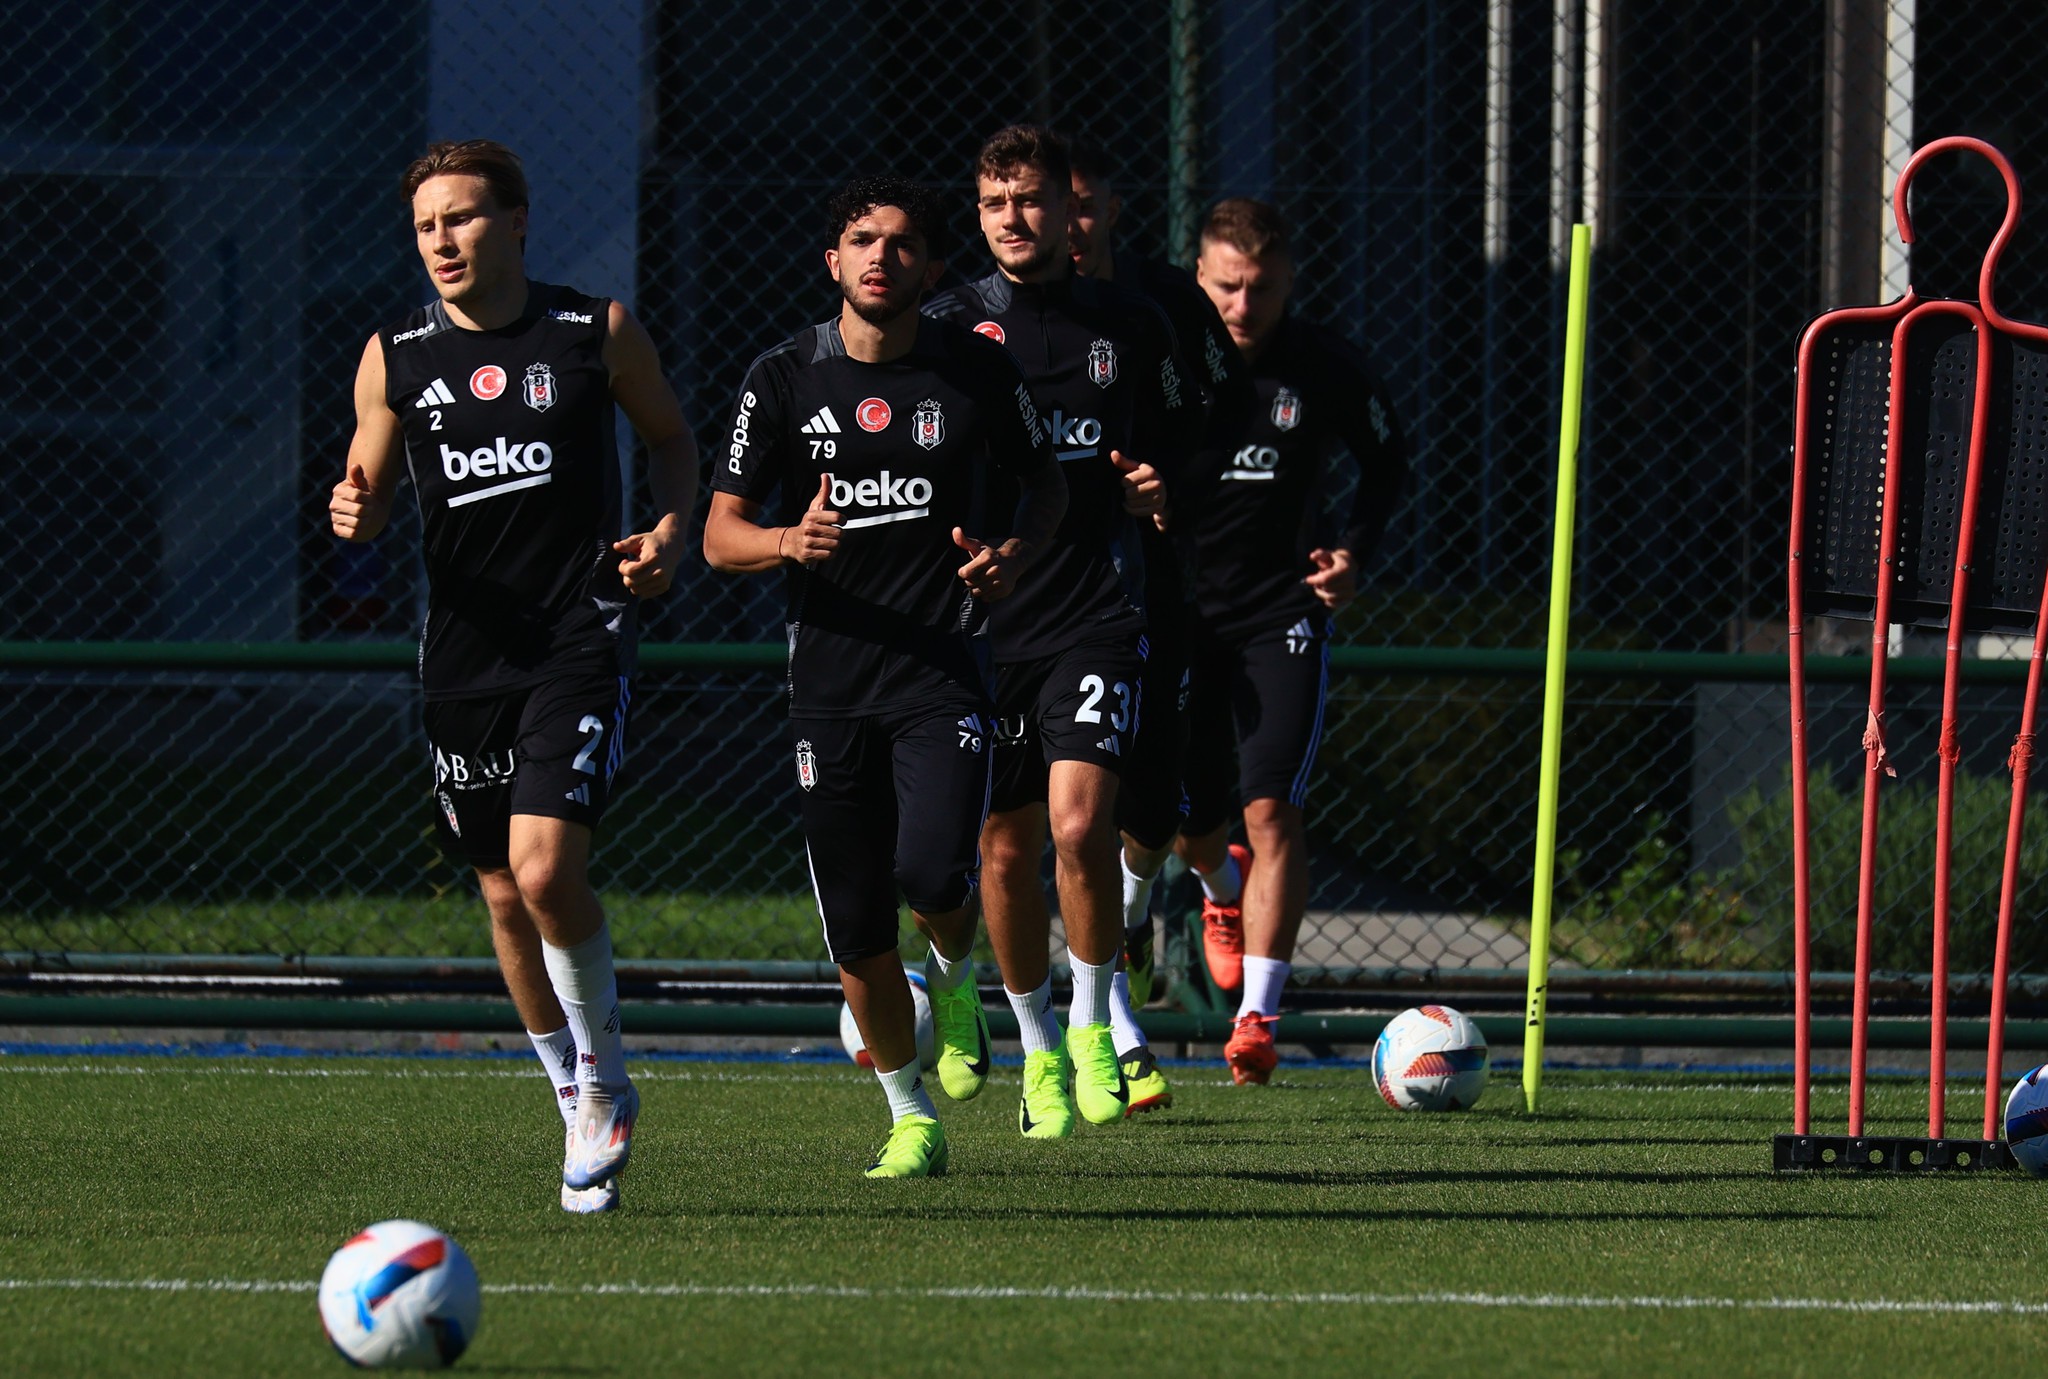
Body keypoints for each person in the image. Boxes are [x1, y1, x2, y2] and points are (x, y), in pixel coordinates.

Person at [329, 139, 697, 1209]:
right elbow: (370, 480)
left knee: (544, 871)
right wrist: (355, 504)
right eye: (426, 226)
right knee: (498, 891)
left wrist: (669, 533)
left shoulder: (594, 332)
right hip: (462, 655)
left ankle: (609, 1084)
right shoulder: (393, 355)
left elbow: (673, 441)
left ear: (520, 221)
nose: (443, 241)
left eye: (464, 218)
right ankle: (568, 1095)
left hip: (577, 634)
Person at [703, 175, 1066, 1178]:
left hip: (941, 668)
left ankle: (952, 980)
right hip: (826, 687)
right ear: (831, 260)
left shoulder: (972, 373)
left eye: (903, 244)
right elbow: (715, 531)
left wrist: (1012, 554)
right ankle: (909, 1114)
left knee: (930, 872)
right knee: (857, 930)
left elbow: (1044, 483)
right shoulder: (781, 377)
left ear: (932, 268)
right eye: (861, 239)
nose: (880, 257)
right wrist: (785, 539)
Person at [925, 125, 1198, 1136]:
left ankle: (1092, 1024)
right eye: (996, 202)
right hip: (987, 618)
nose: (1014, 218)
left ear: (1067, 208)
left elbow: (1183, 438)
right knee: (998, 851)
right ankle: (1035, 1042)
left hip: (1095, 605)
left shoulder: (1126, 322)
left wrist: (1162, 482)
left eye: (1033, 199)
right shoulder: (949, 323)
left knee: (1080, 825)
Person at [1178, 196, 1409, 1084]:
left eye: (1262, 289)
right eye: (1228, 287)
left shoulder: (1325, 368)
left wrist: (1353, 551)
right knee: (1188, 825)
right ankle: (1219, 890)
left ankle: (1257, 1020)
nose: (1243, 306)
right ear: (1201, 277)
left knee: (1272, 809)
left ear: (1288, 284)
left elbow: (1389, 460)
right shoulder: (1165, 362)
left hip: (1281, 613)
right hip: (1178, 614)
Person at [1067, 139, 1257, 1096]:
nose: (1064, 222)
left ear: (1109, 207)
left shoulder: (1162, 308)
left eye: (1084, 203)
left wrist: (1169, 482)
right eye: (1031, 203)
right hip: (1040, 595)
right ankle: (1098, 1017)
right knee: (1058, 815)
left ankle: (1121, 930)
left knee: (1154, 807)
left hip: (1154, 579)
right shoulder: (985, 317)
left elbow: (1225, 419)